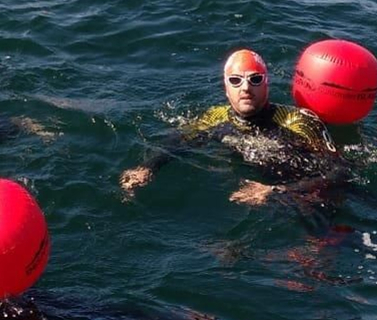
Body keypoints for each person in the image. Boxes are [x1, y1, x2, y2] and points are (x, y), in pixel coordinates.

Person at [120, 49, 339, 205]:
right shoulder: (214, 117)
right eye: (236, 80)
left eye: (255, 79)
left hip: (308, 198)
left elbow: (338, 172)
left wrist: (278, 191)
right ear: (226, 88)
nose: (245, 88)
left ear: (266, 85)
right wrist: (147, 167)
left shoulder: (299, 121)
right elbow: (178, 141)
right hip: (254, 195)